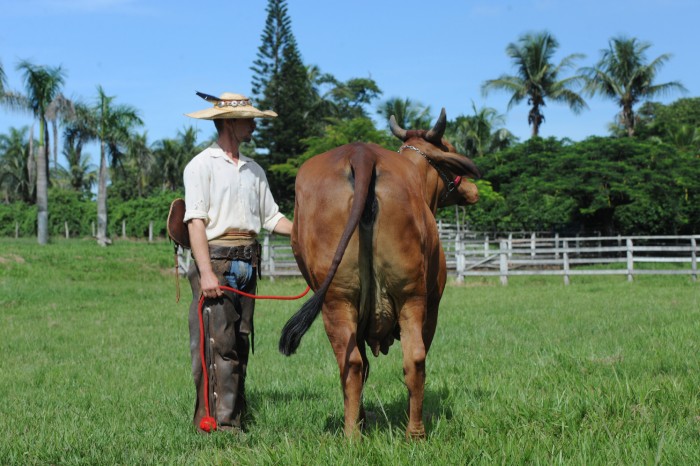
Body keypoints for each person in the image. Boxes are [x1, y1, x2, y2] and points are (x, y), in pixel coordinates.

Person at [182, 91, 292, 433]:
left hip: (248, 264)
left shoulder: (254, 170)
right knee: (220, 347)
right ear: (230, 122)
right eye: (249, 118)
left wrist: (311, 233)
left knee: (239, 345)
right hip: (216, 264)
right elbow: (195, 222)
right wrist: (205, 274)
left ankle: (233, 416)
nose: (254, 124)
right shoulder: (200, 165)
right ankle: (220, 425)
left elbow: (272, 219)